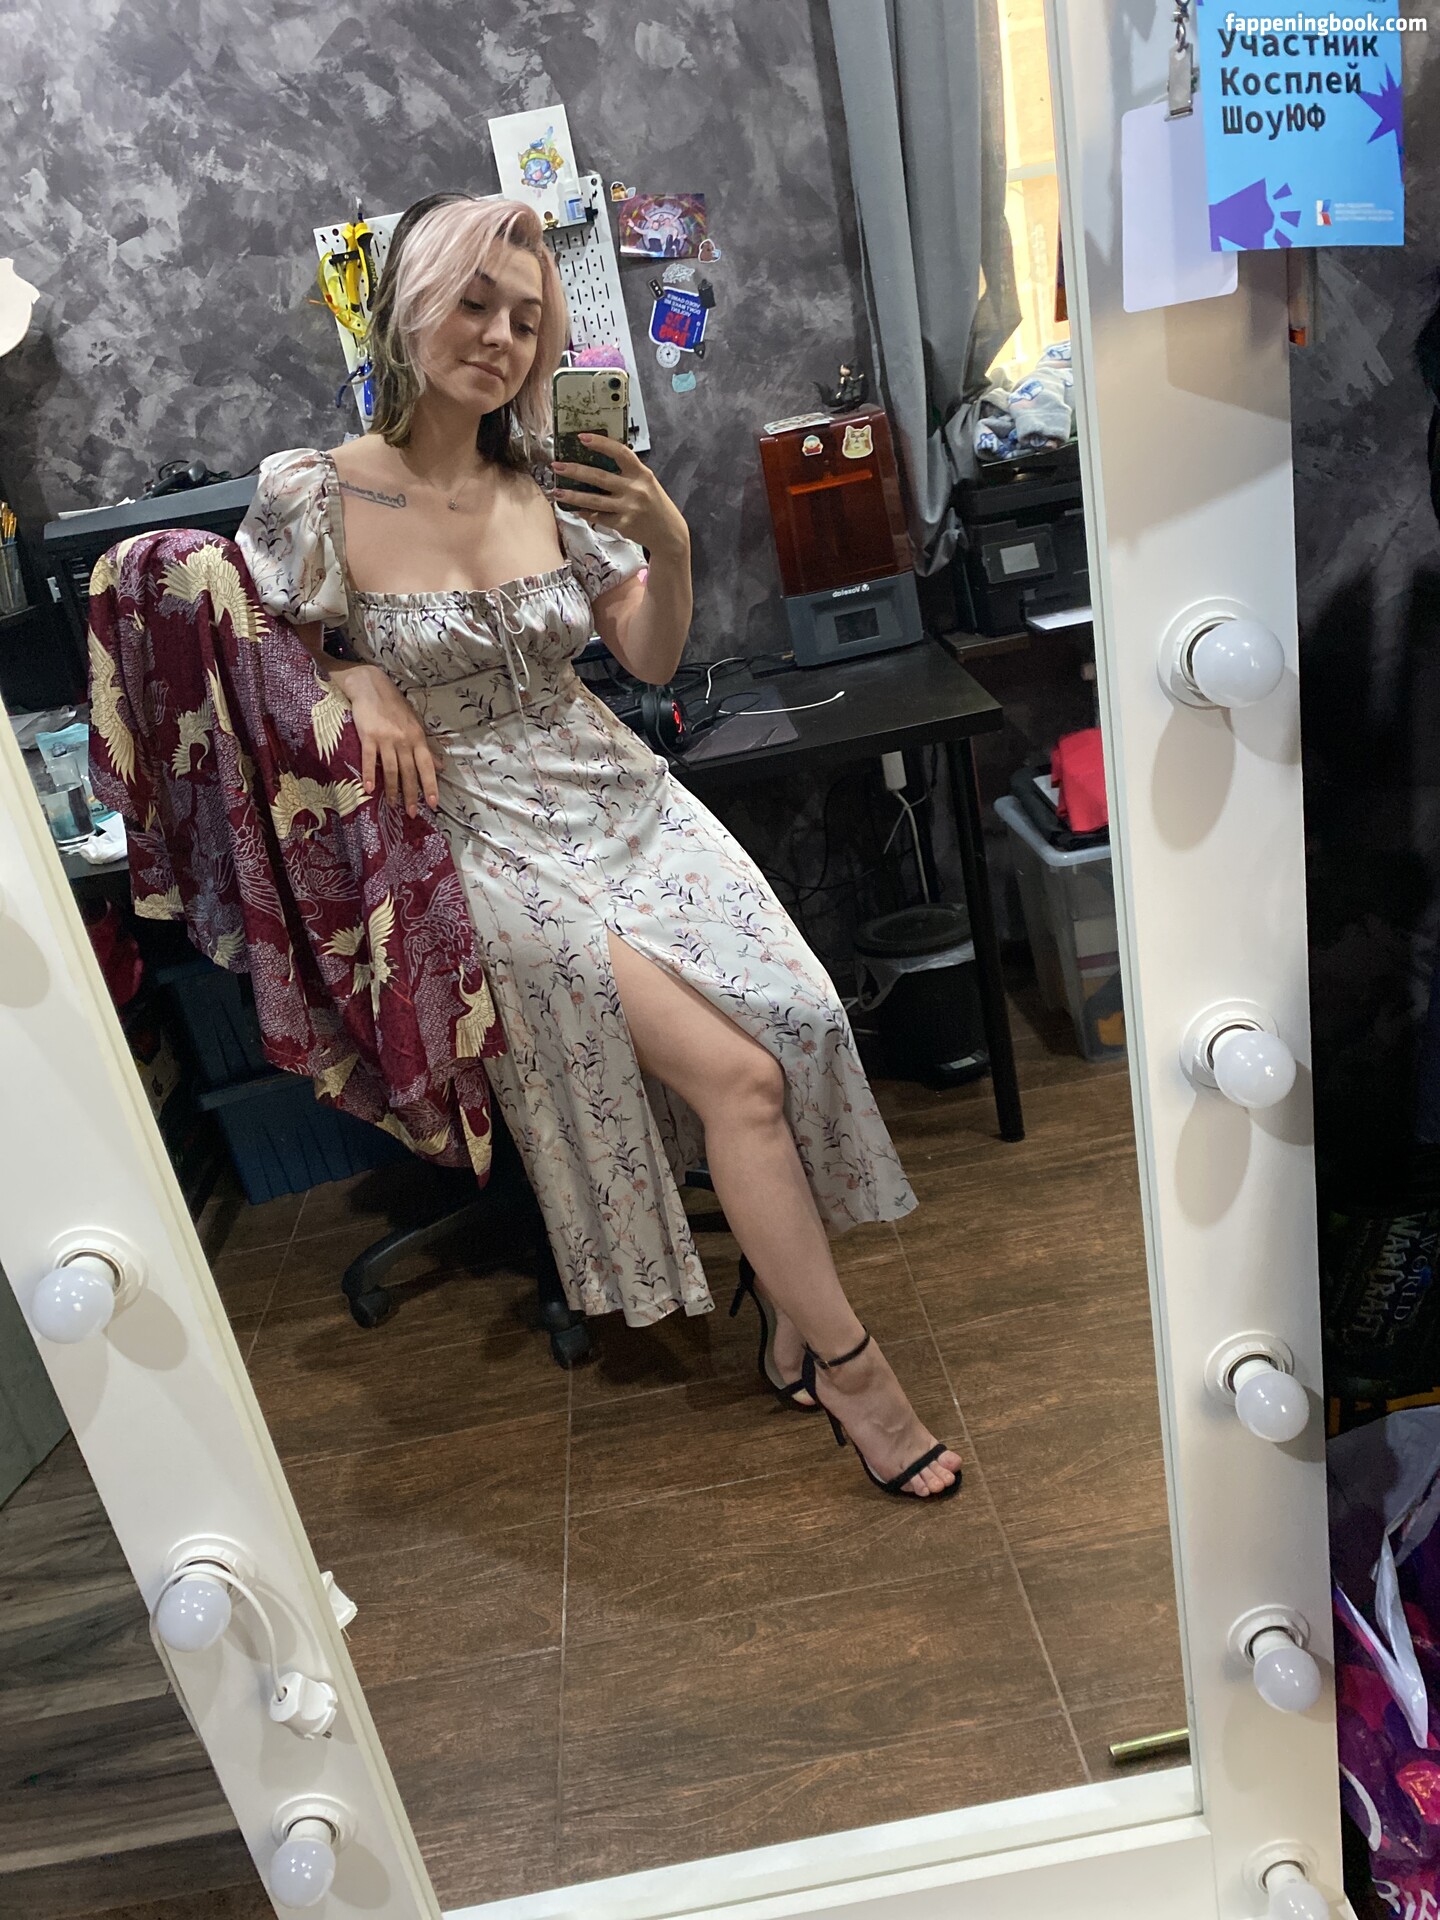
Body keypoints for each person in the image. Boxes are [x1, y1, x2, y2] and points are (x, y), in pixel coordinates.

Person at [235, 192, 961, 1500]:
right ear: (408, 303)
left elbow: (652, 657)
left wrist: (668, 540)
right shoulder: (314, 491)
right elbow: (257, 647)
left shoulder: (554, 482)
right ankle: (855, 1372)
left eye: (527, 319)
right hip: (476, 829)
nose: (499, 338)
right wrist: (354, 677)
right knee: (738, 1081)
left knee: (804, 1021)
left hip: (615, 788)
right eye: (473, 303)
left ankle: (787, 1313)